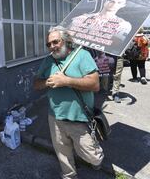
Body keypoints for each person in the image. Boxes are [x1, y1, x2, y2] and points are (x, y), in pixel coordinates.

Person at [34, 26, 103, 179]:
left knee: (91, 154)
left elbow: (95, 85)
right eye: (49, 44)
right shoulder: (48, 61)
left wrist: (66, 81)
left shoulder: (82, 55)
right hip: (55, 117)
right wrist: (48, 82)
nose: (52, 46)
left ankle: (97, 159)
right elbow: (36, 84)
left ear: (65, 41)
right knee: (62, 152)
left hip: (80, 117)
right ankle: (69, 175)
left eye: (55, 42)